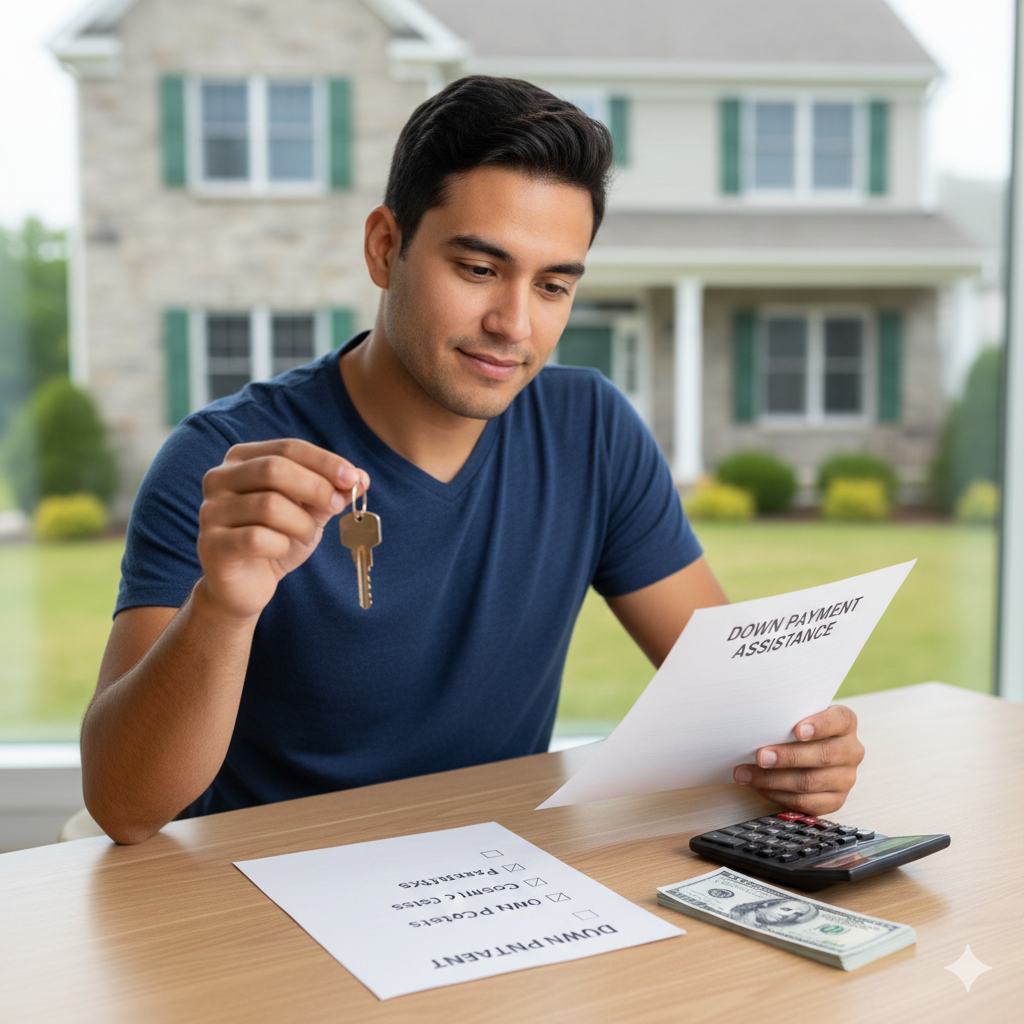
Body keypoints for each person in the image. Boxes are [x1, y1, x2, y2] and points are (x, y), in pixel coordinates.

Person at [83, 76, 864, 844]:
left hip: (491, 889)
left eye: (553, 285)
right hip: (259, 906)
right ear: (386, 247)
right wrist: (223, 608)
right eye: (480, 270)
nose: (513, 324)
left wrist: (801, 752)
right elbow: (123, 807)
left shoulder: (590, 430)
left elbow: (734, 704)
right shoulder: (224, 464)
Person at [728, 898, 819, 928]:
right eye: (786, 909)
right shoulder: (732, 915)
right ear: (766, 905)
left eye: (796, 914)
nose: (787, 915)